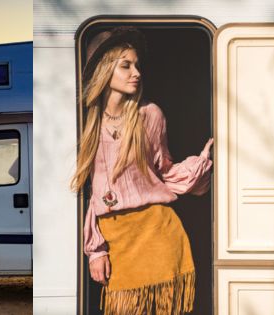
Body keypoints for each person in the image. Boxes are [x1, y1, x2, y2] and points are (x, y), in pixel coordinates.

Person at [71, 26, 213, 315]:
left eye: (137, 65)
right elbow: (91, 192)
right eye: (126, 65)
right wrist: (95, 250)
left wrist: (199, 164)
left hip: (158, 232)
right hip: (117, 238)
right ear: (105, 69)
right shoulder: (84, 121)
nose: (136, 72)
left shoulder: (150, 115)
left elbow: (165, 171)